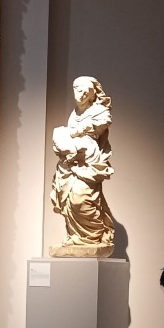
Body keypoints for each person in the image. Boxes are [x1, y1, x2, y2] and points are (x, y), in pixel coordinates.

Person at [50, 76, 116, 250]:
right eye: (77, 89)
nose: (80, 94)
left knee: (82, 197)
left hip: (89, 159)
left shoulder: (100, 110)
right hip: (71, 161)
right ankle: (77, 236)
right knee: (69, 200)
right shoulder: (75, 112)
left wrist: (75, 132)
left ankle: (93, 235)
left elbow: (103, 123)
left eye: (85, 91)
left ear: (92, 94)